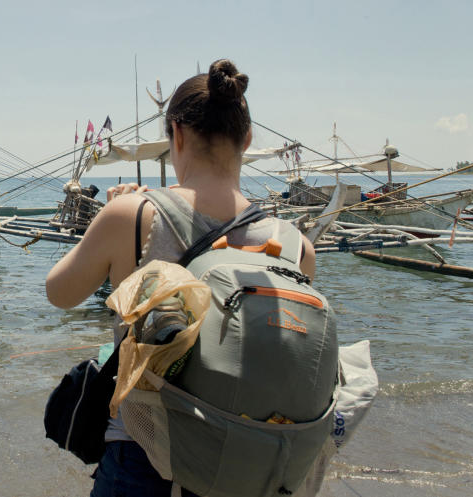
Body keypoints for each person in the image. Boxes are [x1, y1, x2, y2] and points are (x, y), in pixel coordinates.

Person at [45, 59, 316, 496]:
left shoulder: (133, 215)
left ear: (177, 134)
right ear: (246, 139)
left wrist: (115, 217)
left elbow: (59, 291)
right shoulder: (295, 244)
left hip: (146, 463)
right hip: (252, 469)